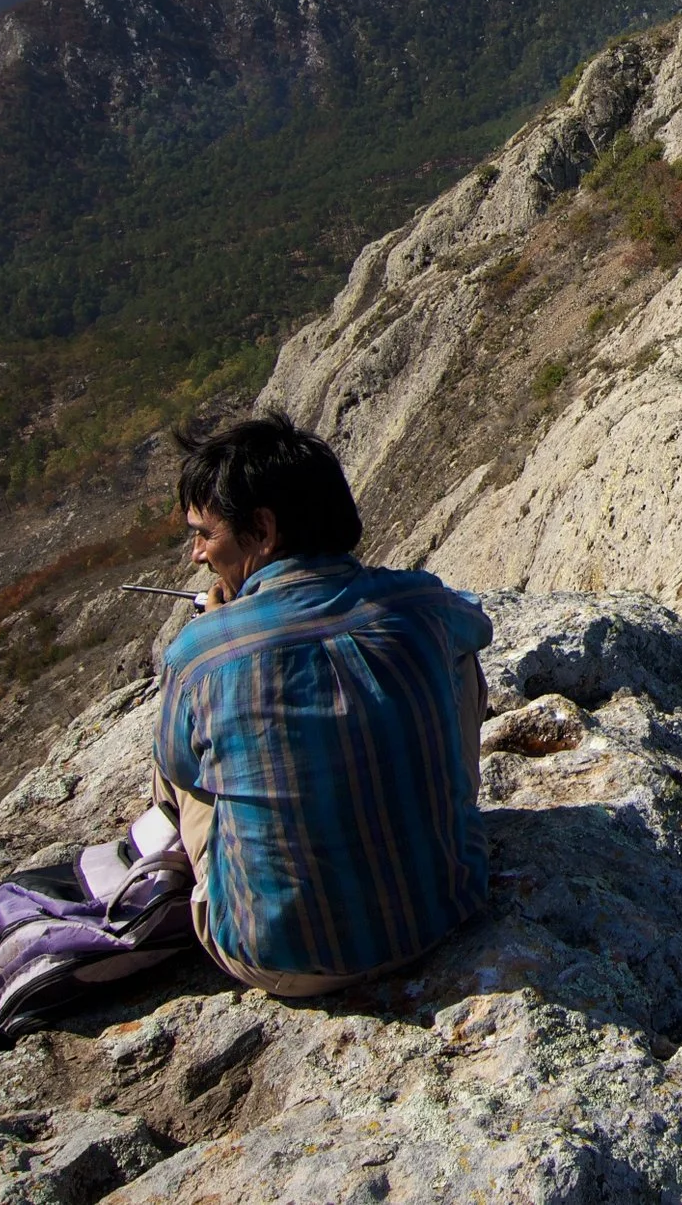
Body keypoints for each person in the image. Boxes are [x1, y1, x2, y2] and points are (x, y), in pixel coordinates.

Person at [152, 411, 491, 997]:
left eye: (205, 534)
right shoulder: (422, 601)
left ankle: (204, 874)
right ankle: (425, 833)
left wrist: (223, 630)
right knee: (458, 657)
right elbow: (475, 623)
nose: (197, 555)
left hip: (284, 961)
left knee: (185, 745)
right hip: (445, 909)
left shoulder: (200, 653)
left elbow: (184, 771)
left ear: (262, 530)